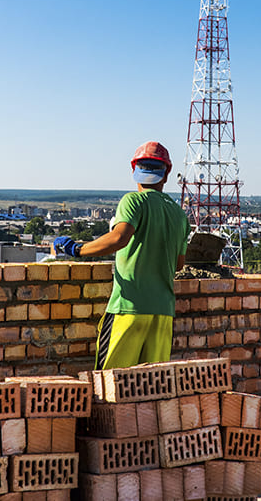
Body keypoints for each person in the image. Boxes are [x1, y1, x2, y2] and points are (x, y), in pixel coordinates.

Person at [52, 141, 190, 370]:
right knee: (152, 388)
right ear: (166, 174)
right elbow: (178, 264)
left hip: (128, 308)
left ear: (135, 171)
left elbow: (119, 238)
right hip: (163, 313)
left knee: (111, 383)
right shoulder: (179, 214)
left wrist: (77, 250)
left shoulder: (133, 201)